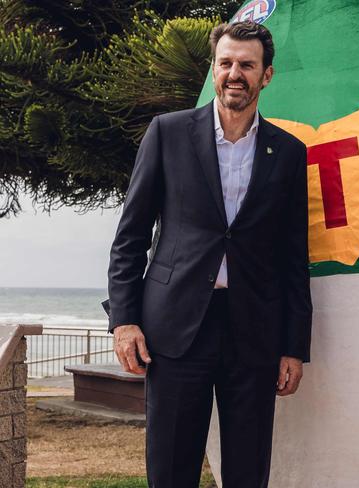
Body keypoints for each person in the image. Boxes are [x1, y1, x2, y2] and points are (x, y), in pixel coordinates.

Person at [107, 21, 312, 488]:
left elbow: (293, 257)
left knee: (248, 469)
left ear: (267, 76)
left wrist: (293, 346)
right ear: (214, 69)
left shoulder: (289, 152)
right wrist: (124, 321)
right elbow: (130, 237)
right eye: (226, 63)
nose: (235, 73)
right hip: (175, 330)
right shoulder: (167, 133)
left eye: (247, 65)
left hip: (254, 333)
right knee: (172, 468)